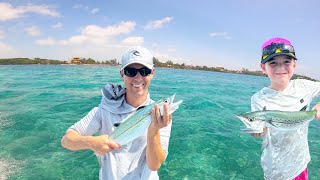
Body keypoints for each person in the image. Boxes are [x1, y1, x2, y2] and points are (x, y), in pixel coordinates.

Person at [61, 46, 173, 179]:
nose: (138, 78)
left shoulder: (161, 115)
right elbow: (66, 141)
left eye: (144, 71)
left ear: (152, 73)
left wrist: (154, 130)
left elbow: (154, 166)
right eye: (130, 71)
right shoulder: (103, 110)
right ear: (122, 74)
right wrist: (91, 143)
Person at [250, 37, 320, 180]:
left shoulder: (304, 86)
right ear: (263, 68)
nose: (281, 67)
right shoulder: (258, 99)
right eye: (273, 63)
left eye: (287, 62)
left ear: (294, 64)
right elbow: (259, 130)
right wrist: (256, 131)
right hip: (275, 170)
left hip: (301, 163)